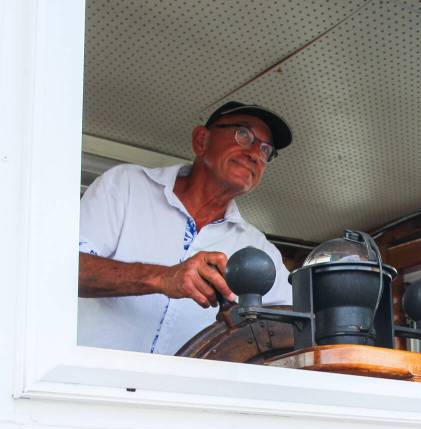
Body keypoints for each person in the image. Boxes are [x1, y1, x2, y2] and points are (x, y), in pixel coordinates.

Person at [77, 102, 294, 354]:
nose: (255, 154)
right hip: (89, 383)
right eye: (243, 135)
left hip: (185, 392)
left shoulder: (258, 248)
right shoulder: (125, 185)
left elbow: (296, 325)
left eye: (266, 150)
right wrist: (163, 277)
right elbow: (65, 271)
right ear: (201, 140)